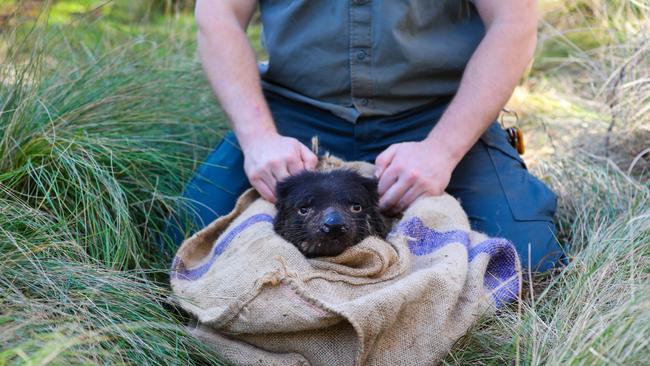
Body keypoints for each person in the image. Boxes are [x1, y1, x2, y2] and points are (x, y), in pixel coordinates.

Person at [169, 0, 563, 271]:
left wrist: (443, 151)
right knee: (180, 245)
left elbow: (513, 21)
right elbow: (219, 14)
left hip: (437, 117)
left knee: (529, 262)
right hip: (290, 115)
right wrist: (257, 140)